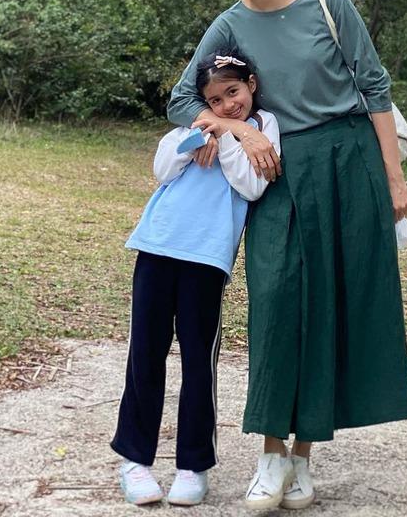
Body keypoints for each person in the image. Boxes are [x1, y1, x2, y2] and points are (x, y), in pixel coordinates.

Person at [167, 0, 407, 512]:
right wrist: (239, 129)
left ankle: (303, 457)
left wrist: (394, 179)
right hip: (278, 168)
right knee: (277, 301)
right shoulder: (229, 25)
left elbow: (374, 86)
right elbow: (181, 101)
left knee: (332, 302)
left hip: (349, 161)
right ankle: (270, 454)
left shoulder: (328, 0)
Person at [111, 49, 280, 507]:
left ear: (251, 85)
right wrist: (197, 137)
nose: (227, 105)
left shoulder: (264, 128)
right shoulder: (194, 124)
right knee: (145, 354)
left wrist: (226, 138)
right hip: (158, 245)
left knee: (198, 362)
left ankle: (193, 465)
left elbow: (253, 186)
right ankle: (134, 460)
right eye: (215, 99)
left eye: (233, 92)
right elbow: (162, 170)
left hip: (207, 258)